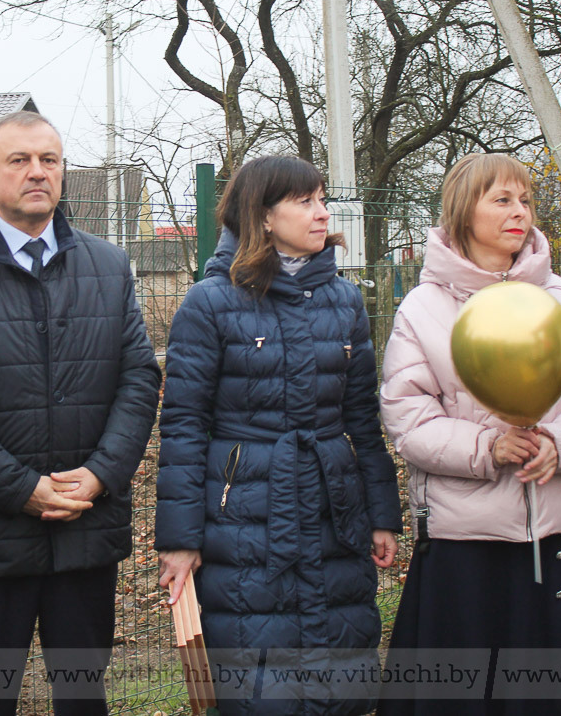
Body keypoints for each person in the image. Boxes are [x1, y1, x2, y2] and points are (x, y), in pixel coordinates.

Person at [0, 110, 162, 715]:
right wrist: (21, 489)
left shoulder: (107, 266)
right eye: (19, 160)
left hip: (84, 528)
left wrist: (100, 475)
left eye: (49, 159)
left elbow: (138, 378)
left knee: (83, 697)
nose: (37, 172)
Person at [376, 153, 561, 715]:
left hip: (550, 533)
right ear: (466, 211)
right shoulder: (424, 307)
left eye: (526, 200)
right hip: (464, 544)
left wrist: (560, 443)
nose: (521, 213)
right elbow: (406, 417)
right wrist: (485, 448)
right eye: (503, 200)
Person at [155, 155, 403, 715]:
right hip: (244, 518)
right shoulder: (210, 302)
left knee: (340, 673)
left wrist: (383, 514)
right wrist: (179, 538)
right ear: (263, 216)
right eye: (304, 201)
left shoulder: (344, 300)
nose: (322, 214)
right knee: (259, 678)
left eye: (322, 199)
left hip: (334, 511)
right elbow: (184, 426)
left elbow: (362, 417)